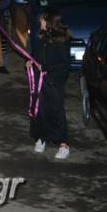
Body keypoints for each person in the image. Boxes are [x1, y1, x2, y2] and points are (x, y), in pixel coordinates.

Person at [28, 9, 71, 159]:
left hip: (53, 83)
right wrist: (31, 62)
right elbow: (36, 54)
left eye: (43, 20)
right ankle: (41, 137)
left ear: (51, 23)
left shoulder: (61, 42)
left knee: (56, 111)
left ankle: (63, 143)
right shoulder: (42, 37)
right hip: (41, 83)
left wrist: (46, 69)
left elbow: (64, 65)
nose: (40, 22)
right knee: (40, 110)